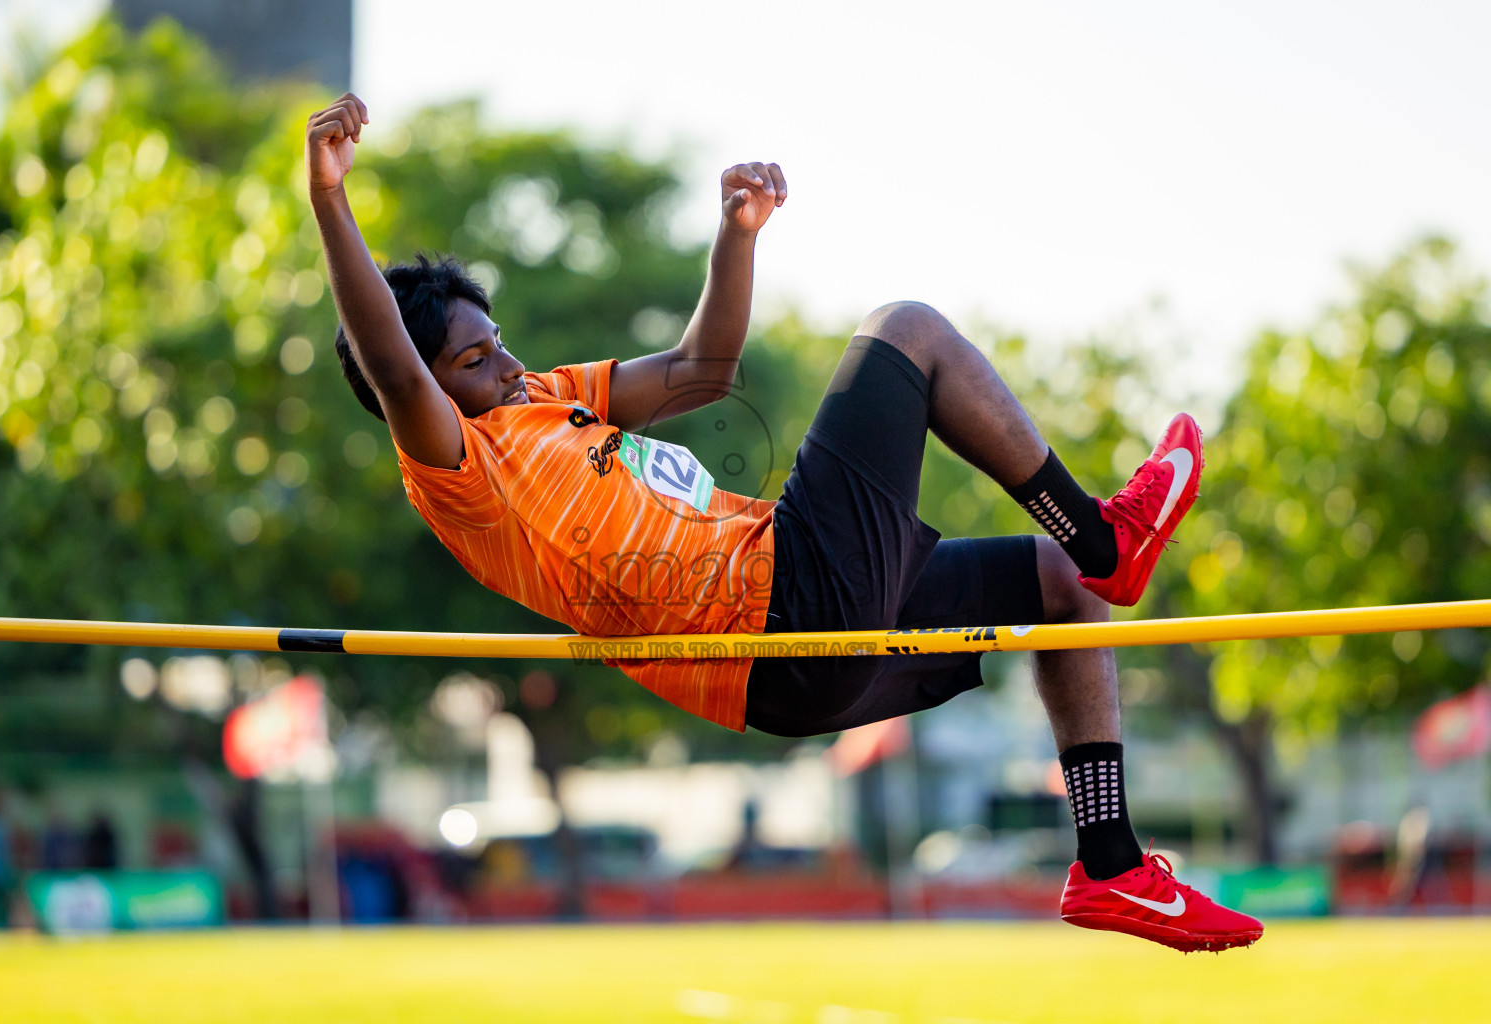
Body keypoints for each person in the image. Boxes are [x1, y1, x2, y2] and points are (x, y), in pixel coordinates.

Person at [306, 94, 1261, 952]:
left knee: (1062, 587)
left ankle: (1109, 863)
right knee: (908, 330)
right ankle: (1111, 539)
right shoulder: (458, 470)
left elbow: (700, 370)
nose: (509, 365)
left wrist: (737, 238)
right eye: (476, 360)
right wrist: (330, 199)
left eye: (500, 340)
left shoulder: (552, 399)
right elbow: (390, 357)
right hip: (774, 614)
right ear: (427, 389)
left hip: (792, 651)